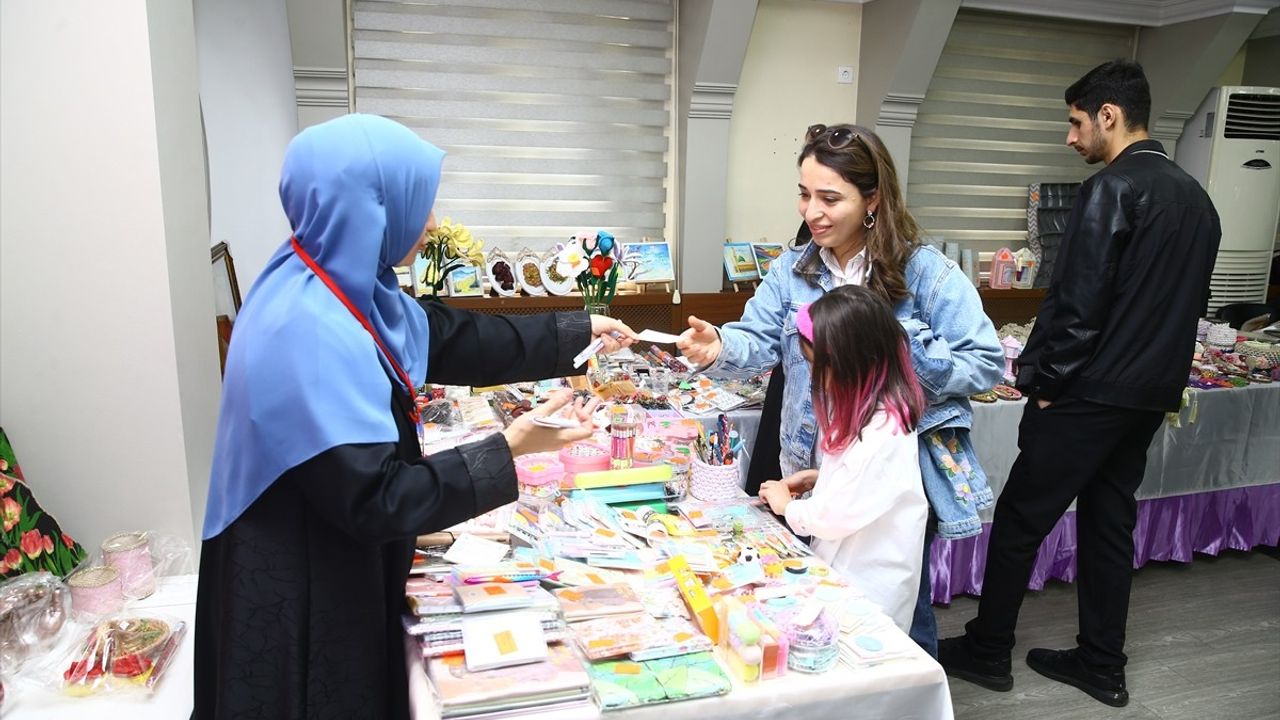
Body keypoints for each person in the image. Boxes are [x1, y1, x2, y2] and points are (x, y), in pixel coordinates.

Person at [193, 114, 636, 719]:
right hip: (303, 588)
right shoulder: (307, 332)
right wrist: (510, 448)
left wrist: (578, 329)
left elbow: (453, 335)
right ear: (369, 207)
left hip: (335, 550)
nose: (429, 224)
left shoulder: (339, 284)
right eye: (418, 204)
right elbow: (377, 499)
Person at [938, 60, 1222, 708]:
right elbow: (1189, 305)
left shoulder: (1111, 190)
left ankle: (988, 649)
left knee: (1017, 521)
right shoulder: (1199, 202)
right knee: (1108, 523)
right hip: (1150, 394)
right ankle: (1101, 663)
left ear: (1109, 116)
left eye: (1075, 122)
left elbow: (1077, 303)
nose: (1071, 138)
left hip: (1089, 392)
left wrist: (1043, 383)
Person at [678, 123, 1004, 656]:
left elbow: (985, 362)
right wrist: (716, 346)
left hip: (891, 476)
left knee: (893, 612)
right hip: (810, 461)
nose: (812, 213)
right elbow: (756, 338)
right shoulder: (794, 268)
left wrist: (899, 353)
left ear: (873, 199)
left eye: (830, 198)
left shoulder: (925, 273)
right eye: (805, 195)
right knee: (819, 602)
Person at [757, 286, 927, 631]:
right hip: (851, 567)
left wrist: (786, 507)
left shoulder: (884, 429)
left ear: (847, 364)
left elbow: (834, 515)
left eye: (815, 365)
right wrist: (821, 477)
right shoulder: (876, 410)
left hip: (869, 584)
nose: (815, 377)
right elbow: (864, 485)